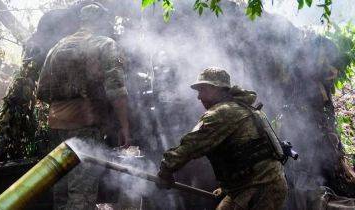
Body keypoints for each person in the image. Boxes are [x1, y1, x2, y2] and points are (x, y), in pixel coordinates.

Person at [36, 3, 131, 210]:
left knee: (61, 189)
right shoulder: (105, 44)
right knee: (82, 191)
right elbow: (116, 90)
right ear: (102, 22)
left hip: (56, 124)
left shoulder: (57, 47)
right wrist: (124, 126)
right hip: (86, 126)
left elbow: (42, 91)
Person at [157, 67, 288, 210]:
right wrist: (227, 188)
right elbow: (244, 154)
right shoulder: (242, 107)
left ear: (216, 89)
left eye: (202, 89)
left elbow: (190, 146)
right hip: (258, 183)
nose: (198, 97)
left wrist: (166, 170)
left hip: (261, 185)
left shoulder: (222, 112)